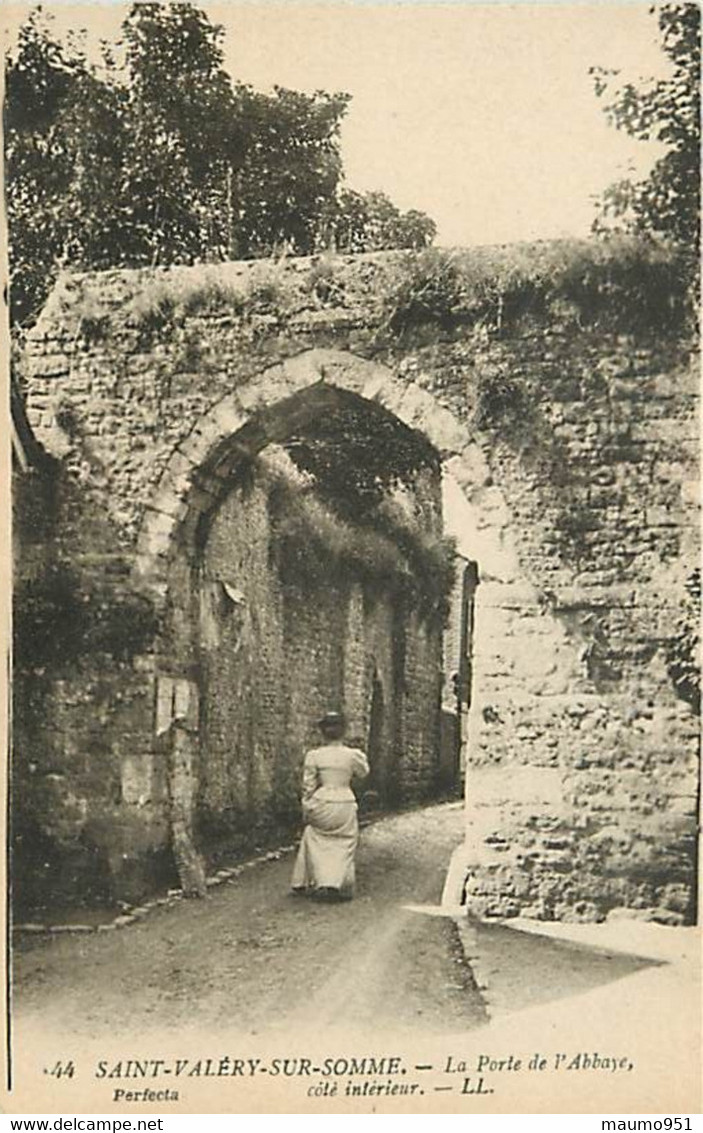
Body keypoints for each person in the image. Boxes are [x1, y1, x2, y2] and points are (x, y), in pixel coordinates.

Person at [290, 711, 369, 902]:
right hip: (344, 802)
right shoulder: (353, 756)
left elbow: (308, 786)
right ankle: (336, 882)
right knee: (345, 841)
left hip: (322, 802)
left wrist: (307, 808)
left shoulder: (314, 756)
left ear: (323, 732)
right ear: (344, 731)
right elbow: (364, 773)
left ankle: (313, 880)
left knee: (313, 834)